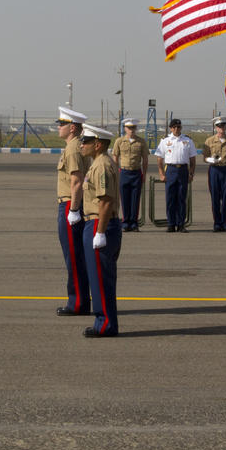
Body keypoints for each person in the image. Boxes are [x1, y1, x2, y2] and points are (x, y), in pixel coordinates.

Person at [79, 123, 123, 338]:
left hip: (100, 223)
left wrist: (100, 232)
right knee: (100, 278)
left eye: (85, 141)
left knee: (100, 278)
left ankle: (105, 324)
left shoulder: (102, 165)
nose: (81, 145)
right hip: (98, 223)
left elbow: (105, 201)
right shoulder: (99, 163)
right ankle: (104, 322)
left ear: (97, 144)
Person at [54, 106, 90, 317]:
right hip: (69, 203)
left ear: (73, 128)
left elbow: (76, 181)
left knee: (74, 257)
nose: (59, 127)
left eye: (62, 124)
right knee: (74, 255)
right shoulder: (75, 146)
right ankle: (80, 300)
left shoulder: (74, 148)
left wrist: (74, 210)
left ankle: (77, 303)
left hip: (70, 204)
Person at [155, 119, 195, 232]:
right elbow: (159, 159)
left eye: (178, 127)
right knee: (170, 198)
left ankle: (181, 224)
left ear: (181, 128)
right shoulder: (165, 141)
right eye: (174, 127)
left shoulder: (187, 141)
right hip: (171, 170)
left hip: (183, 170)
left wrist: (191, 173)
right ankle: (171, 224)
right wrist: (161, 173)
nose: (176, 129)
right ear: (170, 128)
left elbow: (192, 160)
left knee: (181, 198)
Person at [201, 116, 226, 232]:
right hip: (214, 170)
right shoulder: (209, 141)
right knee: (215, 198)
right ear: (216, 128)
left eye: (223, 126)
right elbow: (204, 158)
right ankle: (217, 223)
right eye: (219, 126)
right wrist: (210, 160)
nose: (221, 128)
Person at [111, 118, 148, 232]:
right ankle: (125, 222)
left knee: (135, 198)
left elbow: (145, 159)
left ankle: (134, 223)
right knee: (124, 198)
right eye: (129, 128)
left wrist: (144, 174)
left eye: (133, 128)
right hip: (124, 172)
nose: (131, 130)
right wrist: (116, 173)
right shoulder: (119, 141)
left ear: (136, 129)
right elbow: (115, 158)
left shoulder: (141, 142)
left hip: (136, 172)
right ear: (125, 129)